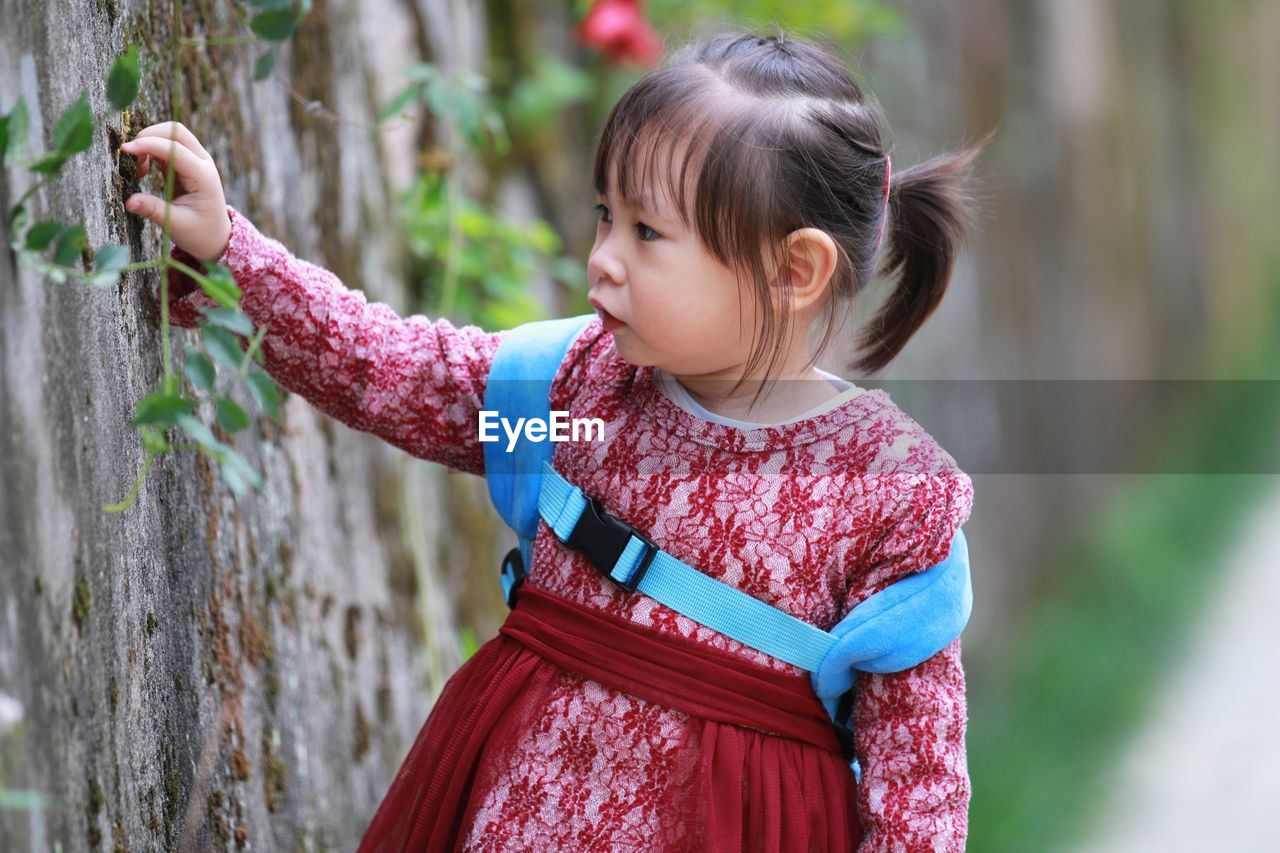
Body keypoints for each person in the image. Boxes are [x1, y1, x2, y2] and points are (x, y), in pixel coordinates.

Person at [122, 28, 985, 853]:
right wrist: (234, 259)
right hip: (514, 806)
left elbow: (921, 789)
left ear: (793, 270)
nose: (603, 257)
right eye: (605, 216)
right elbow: (396, 374)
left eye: (647, 233)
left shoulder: (888, 497)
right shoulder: (580, 394)